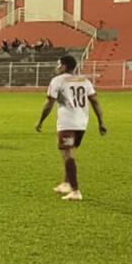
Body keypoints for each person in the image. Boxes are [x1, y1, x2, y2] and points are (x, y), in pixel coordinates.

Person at [36, 55, 107, 201]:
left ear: (64, 66)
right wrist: (101, 122)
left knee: (67, 154)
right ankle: (66, 183)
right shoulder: (83, 80)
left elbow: (49, 102)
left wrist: (40, 120)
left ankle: (75, 191)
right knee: (69, 152)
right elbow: (95, 101)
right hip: (82, 123)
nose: (57, 67)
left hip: (67, 122)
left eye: (59, 64)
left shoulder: (58, 80)